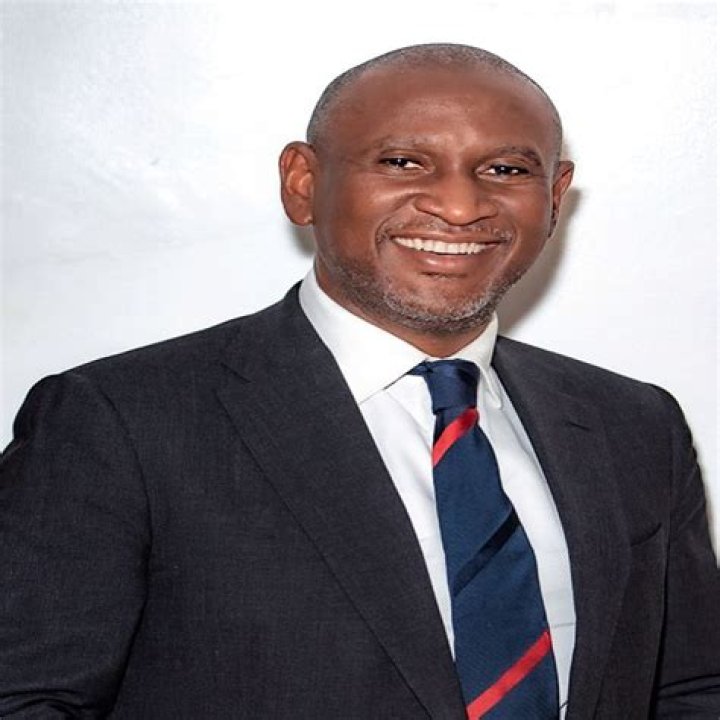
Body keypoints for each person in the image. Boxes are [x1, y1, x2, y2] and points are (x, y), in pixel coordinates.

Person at [1, 43, 718, 720]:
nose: (460, 206)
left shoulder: (634, 424)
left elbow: (690, 689)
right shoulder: (120, 422)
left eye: (505, 170)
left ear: (556, 195)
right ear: (303, 184)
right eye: (403, 162)